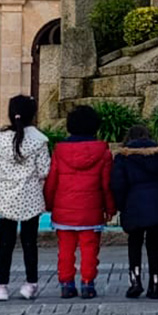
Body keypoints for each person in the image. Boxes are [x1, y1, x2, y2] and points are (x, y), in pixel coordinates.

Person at [0, 95, 50, 302]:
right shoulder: (40, 140)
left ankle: (1, 287)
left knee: (5, 243)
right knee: (30, 242)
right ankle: (30, 284)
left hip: (4, 199)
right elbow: (44, 170)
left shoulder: (0, 139)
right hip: (31, 198)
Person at [45, 106, 115, 299]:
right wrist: (110, 208)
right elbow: (106, 184)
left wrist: (49, 204)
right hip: (90, 211)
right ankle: (87, 283)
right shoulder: (103, 152)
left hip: (64, 211)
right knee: (90, 248)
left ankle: (66, 284)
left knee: (65, 249)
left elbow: (52, 181)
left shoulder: (59, 151)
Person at [110, 124, 158, 299]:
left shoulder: (123, 157)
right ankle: (155, 284)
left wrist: (121, 205)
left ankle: (135, 281)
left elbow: (117, 184)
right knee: (155, 245)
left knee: (134, 242)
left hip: (134, 203)